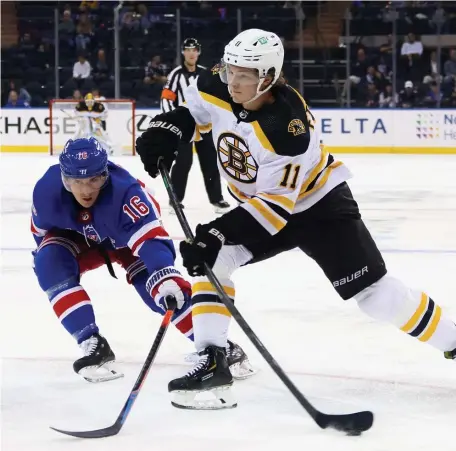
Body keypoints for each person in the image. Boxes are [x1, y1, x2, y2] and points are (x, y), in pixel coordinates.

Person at [136, 28, 456, 410]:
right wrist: (169, 129)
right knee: (212, 262)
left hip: (318, 207)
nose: (232, 82)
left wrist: (217, 230)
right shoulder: (214, 82)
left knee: (376, 297)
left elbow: (274, 211)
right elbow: (196, 112)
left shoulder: (287, 128)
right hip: (263, 205)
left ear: (268, 77)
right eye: (230, 71)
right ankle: (213, 362)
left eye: (244, 76)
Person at [31, 137, 254, 383]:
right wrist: (54, 267)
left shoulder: (126, 193)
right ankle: (91, 343)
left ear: (105, 174)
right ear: (64, 178)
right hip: (79, 239)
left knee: (161, 288)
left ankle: (219, 348)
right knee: (48, 263)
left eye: (94, 179)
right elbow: (41, 236)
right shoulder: (46, 191)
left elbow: (151, 241)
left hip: (127, 242)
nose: (85, 190)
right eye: (76, 181)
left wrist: (164, 272)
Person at [161, 37, 230, 214]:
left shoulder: (205, 73)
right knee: (183, 163)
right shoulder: (176, 74)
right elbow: (166, 98)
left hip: (205, 125)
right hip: (185, 126)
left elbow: (214, 96)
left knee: (211, 163)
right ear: (183, 52)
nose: (191, 53)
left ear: (199, 52)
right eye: (188, 50)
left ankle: (217, 199)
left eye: (194, 50)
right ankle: (175, 200)